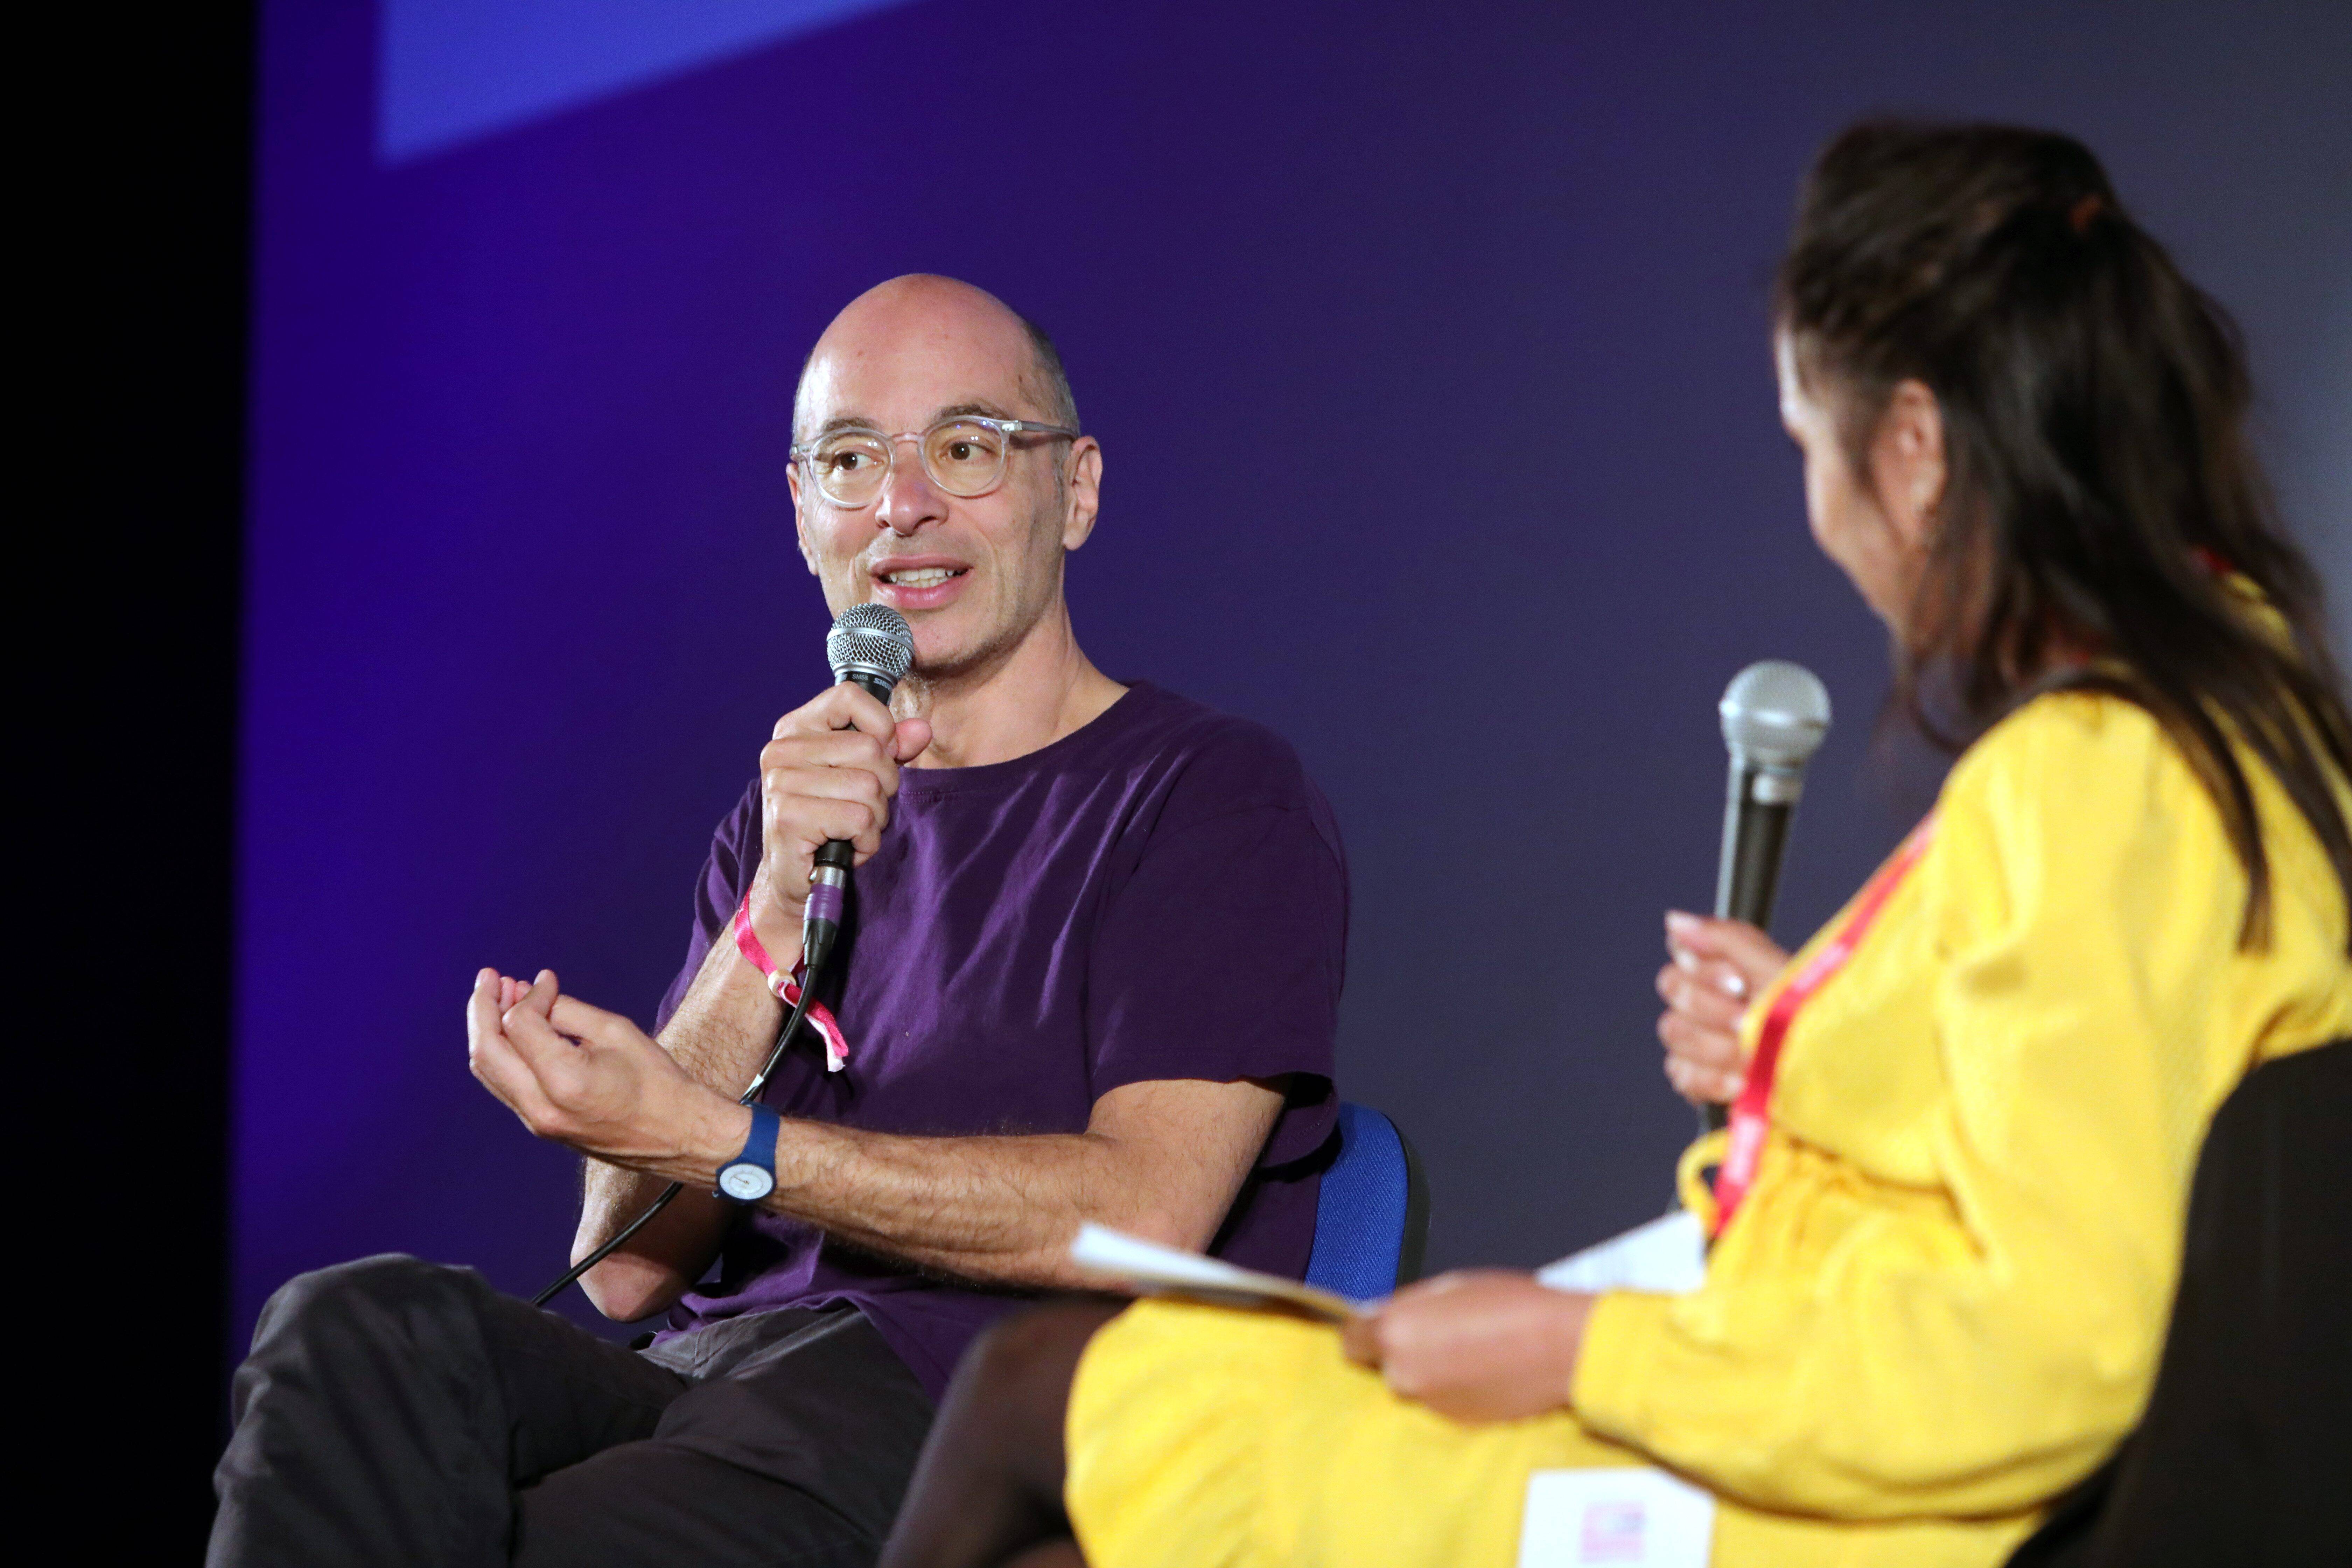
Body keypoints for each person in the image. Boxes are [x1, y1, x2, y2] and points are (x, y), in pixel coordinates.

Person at [870, 121, 2352, 1568]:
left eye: (1807, 444)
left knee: (1036, 1397)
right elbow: (2059, 1105)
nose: (1824, 515)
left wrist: (1577, 1346)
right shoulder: (2246, 721)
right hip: (1813, 1420)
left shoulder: (2096, 777)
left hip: (1835, 1496)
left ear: (1910, 449)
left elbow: (2043, 1347)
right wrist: (1804, 1044)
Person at [209, 275, 1349, 1568]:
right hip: (709, 1379)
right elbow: (624, 1274)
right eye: (851, 461)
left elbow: (1144, 1216)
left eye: (965, 448)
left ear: (1075, 491)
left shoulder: (1209, 795)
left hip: (960, 1411)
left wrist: (730, 1144)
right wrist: (773, 903)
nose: (902, 505)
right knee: (353, 1329)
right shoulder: (783, 825)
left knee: (513, 1543)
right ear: (805, 514)